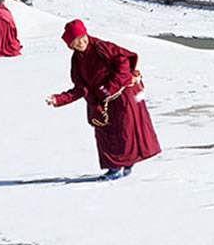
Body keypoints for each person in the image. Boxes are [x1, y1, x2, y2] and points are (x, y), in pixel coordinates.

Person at [46, 19, 161, 180]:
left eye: (81, 37)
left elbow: (123, 62)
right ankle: (117, 168)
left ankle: (124, 167)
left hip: (121, 96)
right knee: (105, 135)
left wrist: (108, 88)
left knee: (125, 133)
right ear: (70, 45)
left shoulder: (101, 47)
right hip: (101, 101)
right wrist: (59, 99)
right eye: (75, 41)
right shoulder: (76, 60)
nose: (80, 43)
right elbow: (81, 88)